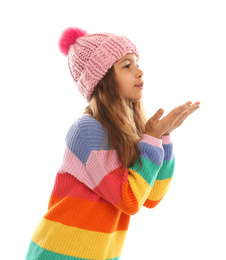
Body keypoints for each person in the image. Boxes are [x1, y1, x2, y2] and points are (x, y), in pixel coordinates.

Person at [25, 27, 200, 260]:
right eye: (127, 65)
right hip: (60, 253)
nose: (140, 72)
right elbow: (129, 200)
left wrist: (161, 137)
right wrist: (151, 139)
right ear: (103, 79)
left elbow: (151, 197)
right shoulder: (88, 131)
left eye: (137, 63)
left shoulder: (125, 132)